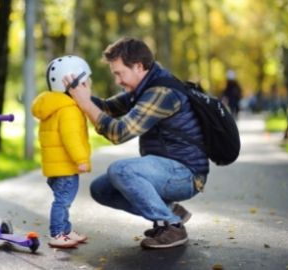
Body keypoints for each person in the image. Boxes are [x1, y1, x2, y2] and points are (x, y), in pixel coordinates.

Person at [64, 37, 208, 249]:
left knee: (121, 170)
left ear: (139, 66)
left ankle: (172, 227)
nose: (117, 81)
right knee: (100, 189)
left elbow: (119, 133)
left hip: (186, 175)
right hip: (166, 170)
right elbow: (107, 108)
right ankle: (170, 211)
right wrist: (77, 94)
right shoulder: (143, 87)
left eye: (119, 73)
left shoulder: (162, 92)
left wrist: (85, 103)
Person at [31, 55, 92, 248]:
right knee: (62, 202)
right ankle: (57, 233)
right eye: (85, 82)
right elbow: (71, 139)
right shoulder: (69, 110)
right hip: (66, 166)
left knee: (63, 200)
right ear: (71, 83)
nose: (89, 85)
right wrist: (81, 159)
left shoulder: (54, 106)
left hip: (56, 166)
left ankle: (66, 230)